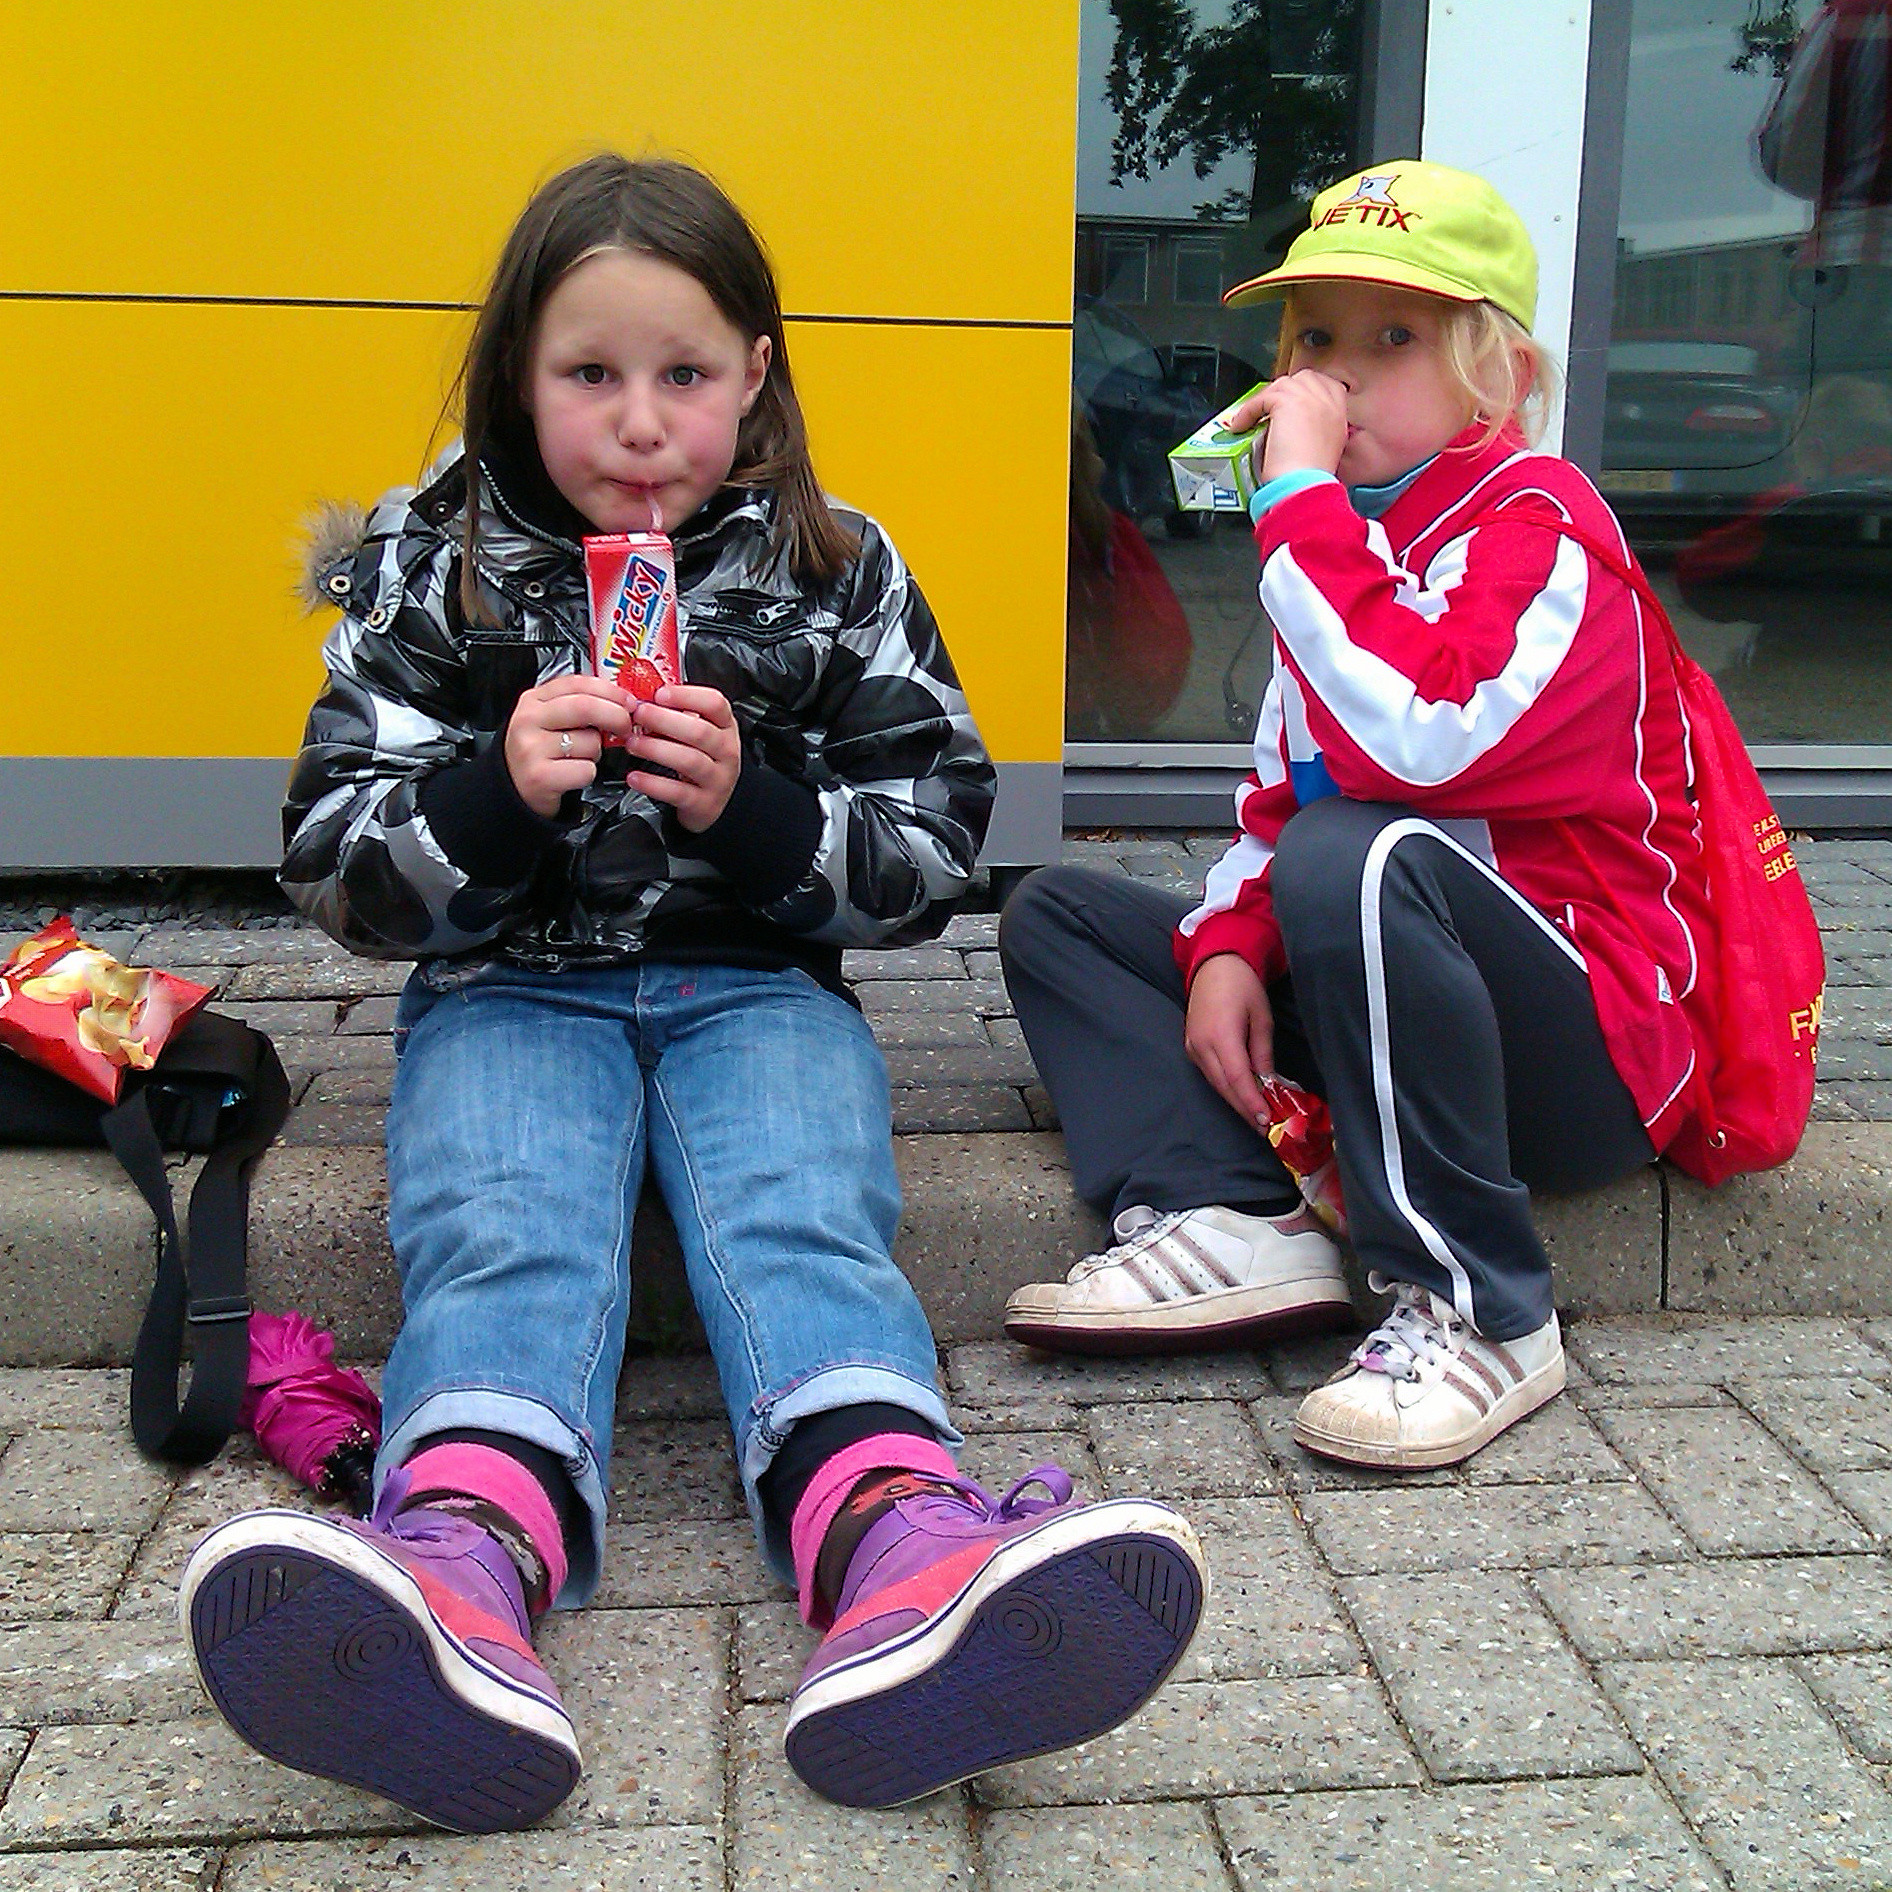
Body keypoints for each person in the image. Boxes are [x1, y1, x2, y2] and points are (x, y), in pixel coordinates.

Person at [176, 153, 1205, 1829]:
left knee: (804, 1217)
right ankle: (458, 1575)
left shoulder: (835, 563)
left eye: (686, 374)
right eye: (590, 373)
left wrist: (762, 813)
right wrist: (490, 796)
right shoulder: (428, 564)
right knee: (506, 1227)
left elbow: (938, 835)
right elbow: (331, 863)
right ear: (518, 373)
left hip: (756, 993)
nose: (641, 423)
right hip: (507, 994)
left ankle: (905, 1549)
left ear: (757, 376)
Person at [1002, 161, 1713, 1470]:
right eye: (1316, 339)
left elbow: (1417, 741)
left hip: (1584, 1054)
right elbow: (1282, 801)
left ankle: (1483, 1306)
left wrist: (1300, 509)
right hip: (1390, 1005)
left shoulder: (1547, 533)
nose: (1338, 375)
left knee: (1360, 852)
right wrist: (1225, 950)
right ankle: (1234, 1216)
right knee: (1060, 915)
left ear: (1499, 378)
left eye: (1394, 340)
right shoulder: (1350, 554)